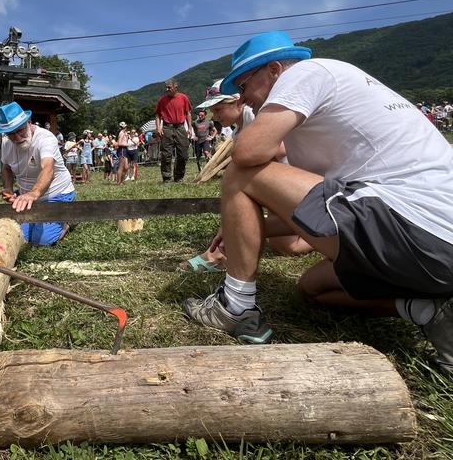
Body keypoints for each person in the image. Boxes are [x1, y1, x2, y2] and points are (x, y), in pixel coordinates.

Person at [182, 31, 453, 376]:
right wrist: (243, 229)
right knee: (315, 289)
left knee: (240, 172)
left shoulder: (307, 74)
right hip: (430, 243)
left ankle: (235, 306)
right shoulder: (330, 102)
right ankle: (430, 311)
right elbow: (309, 222)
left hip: (416, 230)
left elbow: (247, 153)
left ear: (275, 70)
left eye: (245, 83)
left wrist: (244, 216)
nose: (243, 96)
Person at [178, 79, 311, 273]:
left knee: (238, 176)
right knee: (285, 247)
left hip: (292, 185)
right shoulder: (237, 132)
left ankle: (219, 253)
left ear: (238, 102)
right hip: (277, 192)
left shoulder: (253, 114)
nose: (215, 116)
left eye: (218, 109)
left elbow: (280, 150)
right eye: (213, 112)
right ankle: (327, 237)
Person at [0, 101, 76, 245]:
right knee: (21, 237)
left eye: (20, 131)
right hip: (26, 197)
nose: (17, 138)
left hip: (56, 194)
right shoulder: (6, 143)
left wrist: (34, 193)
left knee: (42, 241)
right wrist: (8, 188)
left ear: (29, 121)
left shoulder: (45, 138)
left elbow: (48, 168)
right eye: (11, 134)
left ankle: (69, 222)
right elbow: (7, 167)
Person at [155, 78, 195, 183]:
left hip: (181, 127)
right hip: (167, 127)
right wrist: (158, 127)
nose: (167, 89)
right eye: (166, 87)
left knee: (183, 154)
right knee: (166, 154)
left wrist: (190, 127)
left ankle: (179, 177)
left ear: (175, 87)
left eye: (169, 87)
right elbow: (158, 115)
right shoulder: (162, 100)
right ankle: (167, 178)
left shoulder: (183, 98)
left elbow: (188, 113)